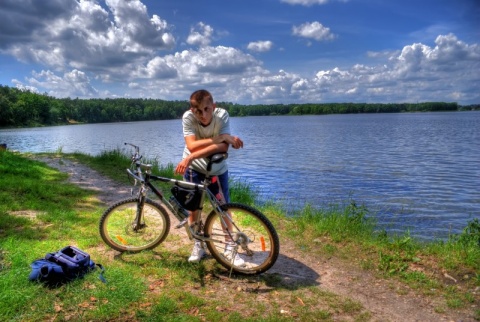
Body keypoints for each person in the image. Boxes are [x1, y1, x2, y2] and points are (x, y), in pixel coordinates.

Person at [175, 89, 245, 265]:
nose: (203, 115)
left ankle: (230, 247)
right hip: (194, 169)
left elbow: (223, 149)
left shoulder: (222, 116)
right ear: (192, 110)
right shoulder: (188, 118)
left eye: (207, 109)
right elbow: (191, 146)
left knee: (223, 207)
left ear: (213, 106)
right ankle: (198, 244)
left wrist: (193, 155)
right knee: (194, 209)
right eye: (198, 111)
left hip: (217, 169)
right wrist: (221, 137)